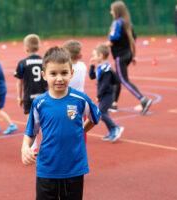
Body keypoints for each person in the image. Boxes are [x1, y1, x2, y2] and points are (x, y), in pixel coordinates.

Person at [21, 47, 101, 200]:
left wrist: (82, 130)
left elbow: (95, 117)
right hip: (46, 169)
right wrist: (25, 147)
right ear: (44, 75)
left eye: (64, 73)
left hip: (74, 169)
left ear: (71, 73)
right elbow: (31, 131)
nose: (59, 78)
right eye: (53, 73)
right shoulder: (39, 103)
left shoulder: (80, 99)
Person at [107, 0, 152, 115]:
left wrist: (101, 47)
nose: (111, 12)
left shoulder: (116, 23)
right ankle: (114, 104)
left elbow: (112, 41)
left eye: (112, 10)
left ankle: (143, 100)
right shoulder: (128, 23)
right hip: (128, 54)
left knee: (123, 80)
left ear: (116, 11)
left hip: (120, 56)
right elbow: (133, 40)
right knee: (118, 78)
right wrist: (134, 55)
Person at [14, 34, 47, 150]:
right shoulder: (44, 61)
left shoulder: (22, 63)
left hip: (29, 97)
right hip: (43, 97)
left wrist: (19, 97)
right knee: (46, 122)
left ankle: (33, 148)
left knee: (31, 123)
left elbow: (19, 83)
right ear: (38, 47)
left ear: (26, 49)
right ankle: (49, 145)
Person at [89, 43, 124, 142]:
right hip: (104, 94)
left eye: (95, 55)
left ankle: (116, 127)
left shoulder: (106, 69)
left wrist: (98, 95)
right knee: (104, 114)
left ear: (101, 56)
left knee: (101, 113)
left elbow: (105, 84)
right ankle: (111, 131)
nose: (93, 57)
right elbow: (92, 76)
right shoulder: (100, 67)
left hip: (108, 94)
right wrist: (92, 66)